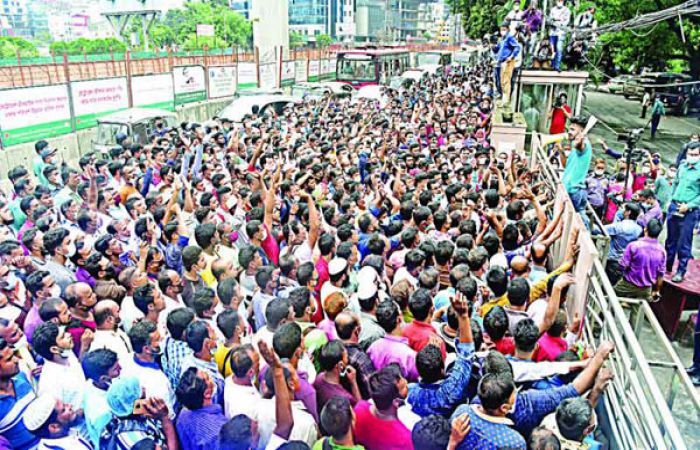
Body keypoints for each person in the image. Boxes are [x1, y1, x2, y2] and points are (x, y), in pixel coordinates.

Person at [665, 143, 700, 282]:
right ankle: (666, 267)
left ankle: (680, 271)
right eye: (689, 154)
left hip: (689, 211)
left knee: (683, 243)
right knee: (670, 241)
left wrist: (689, 205)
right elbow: (675, 183)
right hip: (674, 206)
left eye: (695, 155)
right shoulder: (682, 166)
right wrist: (671, 199)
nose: (691, 157)